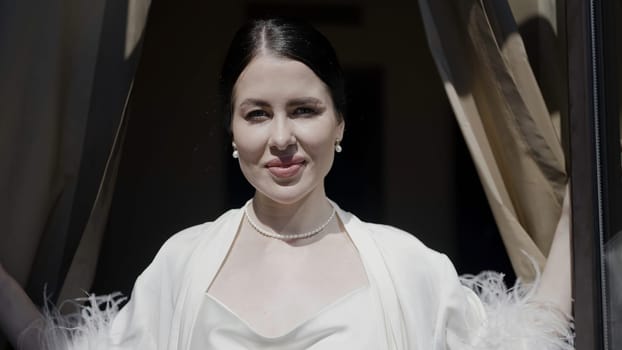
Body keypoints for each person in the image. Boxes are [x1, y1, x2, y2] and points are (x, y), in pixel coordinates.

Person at [0, 17, 573, 350]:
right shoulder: (183, 261)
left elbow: (523, 340)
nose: (281, 137)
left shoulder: (407, 266)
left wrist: (578, 209)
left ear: (339, 123)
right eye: (256, 113)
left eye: (304, 110)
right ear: (231, 129)